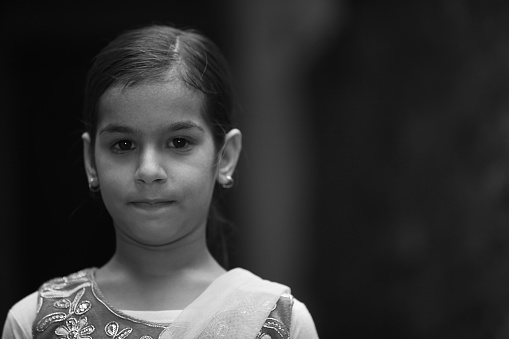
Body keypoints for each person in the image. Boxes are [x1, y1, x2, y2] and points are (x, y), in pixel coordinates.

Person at [1, 23, 319, 338]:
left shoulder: (279, 322)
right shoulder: (35, 322)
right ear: (90, 160)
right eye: (123, 145)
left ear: (225, 157)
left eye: (179, 143)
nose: (149, 170)